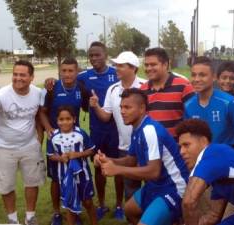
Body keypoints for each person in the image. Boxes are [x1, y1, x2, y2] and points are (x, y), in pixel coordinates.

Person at [94, 88, 189, 225]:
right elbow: (131, 160)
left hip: (173, 188)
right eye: (121, 107)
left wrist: (117, 170)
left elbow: (153, 172)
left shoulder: (149, 131)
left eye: (127, 107)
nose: (122, 111)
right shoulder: (137, 128)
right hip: (155, 185)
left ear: (142, 108)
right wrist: (108, 160)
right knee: (130, 211)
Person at [0, 60, 45, 225]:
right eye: (15, 74)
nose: (18, 78)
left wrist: (40, 136)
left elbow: (40, 114)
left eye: (22, 75)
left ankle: (30, 217)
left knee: (32, 182)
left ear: (31, 77)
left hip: (30, 146)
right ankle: (12, 220)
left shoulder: (38, 93)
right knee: (6, 185)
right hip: (4, 148)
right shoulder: (2, 94)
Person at [39, 58, 89, 225]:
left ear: (77, 72)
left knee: (76, 176)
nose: (67, 74)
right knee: (56, 178)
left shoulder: (81, 88)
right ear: (60, 71)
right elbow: (42, 112)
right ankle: (57, 212)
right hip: (56, 141)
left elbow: (88, 108)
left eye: (71, 71)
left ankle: (75, 211)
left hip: (75, 140)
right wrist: (48, 128)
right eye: (64, 71)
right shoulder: (52, 88)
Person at [90, 51, 145, 202]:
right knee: (130, 191)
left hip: (147, 147)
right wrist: (96, 106)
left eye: (121, 65)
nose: (116, 68)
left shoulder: (144, 87)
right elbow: (106, 116)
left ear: (133, 68)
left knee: (153, 187)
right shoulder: (113, 89)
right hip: (125, 147)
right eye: (116, 65)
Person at [77, 41, 122, 220]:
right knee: (99, 166)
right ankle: (101, 204)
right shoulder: (84, 77)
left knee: (119, 166)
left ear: (106, 55)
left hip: (117, 129)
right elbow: (68, 84)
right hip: (96, 130)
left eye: (98, 55)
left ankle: (119, 205)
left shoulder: (116, 73)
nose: (94, 58)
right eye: (91, 55)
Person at [184, 56, 234, 145]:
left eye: (202, 75)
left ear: (214, 77)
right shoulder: (188, 105)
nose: (196, 79)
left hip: (226, 157)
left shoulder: (230, 103)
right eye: (193, 75)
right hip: (201, 158)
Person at [47, 106, 97, 225]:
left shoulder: (81, 133)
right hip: (65, 177)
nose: (65, 122)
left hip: (83, 175)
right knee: (70, 206)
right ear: (57, 120)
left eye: (68, 119)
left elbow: (91, 150)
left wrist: (78, 154)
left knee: (88, 202)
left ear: (74, 119)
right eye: (61, 119)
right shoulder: (53, 136)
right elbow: (50, 155)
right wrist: (60, 158)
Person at [140, 47, 195, 137]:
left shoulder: (184, 86)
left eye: (153, 64)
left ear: (165, 65)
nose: (149, 68)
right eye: (146, 65)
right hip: (152, 147)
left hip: (177, 147)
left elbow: (193, 118)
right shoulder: (142, 90)